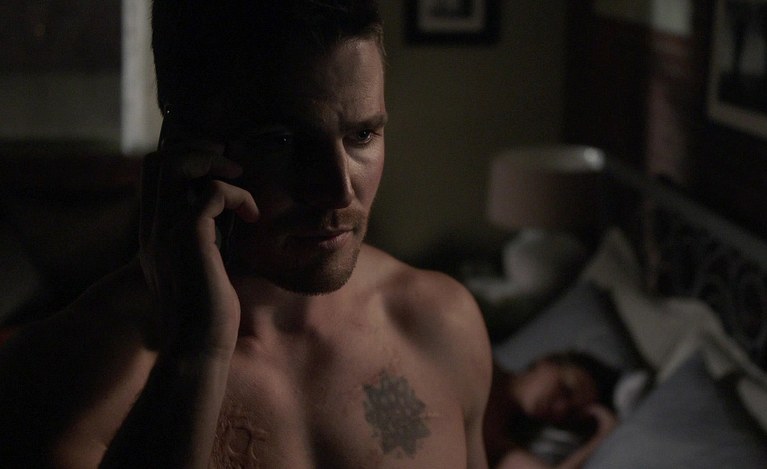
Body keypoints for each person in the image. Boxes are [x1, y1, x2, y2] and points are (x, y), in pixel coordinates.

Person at [0, 1, 492, 467]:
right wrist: (196, 352)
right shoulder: (61, 378)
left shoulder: (440, 324)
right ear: (183, 145)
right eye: (282, 141)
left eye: (361, 135)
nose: (338, 191)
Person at [483, 352, 622, 469]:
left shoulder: (503, 448)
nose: (560, 408)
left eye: (570, 413)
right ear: (546, 363)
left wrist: (602, 435)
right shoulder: (481, 361)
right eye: (566, 390)